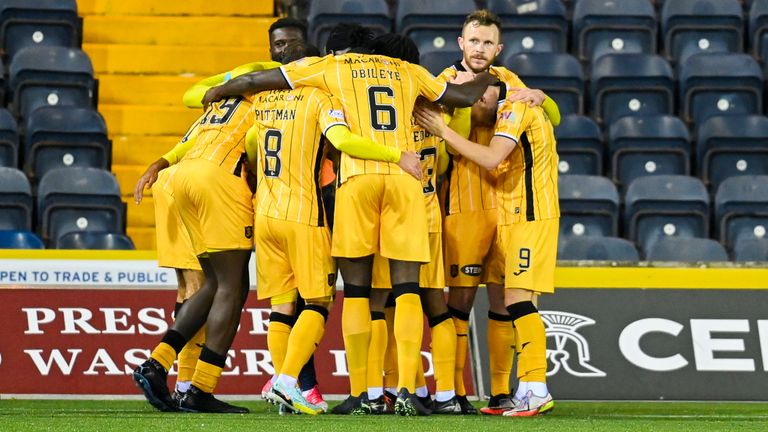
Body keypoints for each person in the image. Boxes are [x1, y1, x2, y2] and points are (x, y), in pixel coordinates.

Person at [202, 32, 498, 416]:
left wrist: (220, 90)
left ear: (344, 49)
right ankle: (407, 388)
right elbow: (461, 97)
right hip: (405, 181)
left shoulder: (333, 66)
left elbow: (258, 80)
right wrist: (488, 78)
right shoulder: (408, 70)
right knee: (408, 289)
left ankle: (367, 394)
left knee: (358, 293)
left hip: (356, 182)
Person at [436, 9, 560, 415]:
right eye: (473, 41)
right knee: (460, 301)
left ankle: (503, 390)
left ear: (498, 47)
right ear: (461, 43)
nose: (480, 48)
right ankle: (452, 391)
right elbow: (442, 149)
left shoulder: (509, 81)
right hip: (465, 204)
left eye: (487, 42)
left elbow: (549, 116)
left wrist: (543, 96)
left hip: (508, 205)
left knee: (504, 303)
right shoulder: (444, 83)